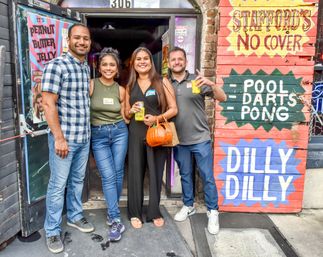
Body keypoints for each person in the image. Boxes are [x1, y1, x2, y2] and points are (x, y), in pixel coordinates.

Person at [41, 24, 94, 254]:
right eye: (77, 38)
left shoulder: (85, 68)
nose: (82, 42)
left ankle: (74, 215)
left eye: (86, 38)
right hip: (65, 139)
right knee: (57, 185)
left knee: (77, 181)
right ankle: (52, 230)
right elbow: (48, 103)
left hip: (83, 137)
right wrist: (59, 138)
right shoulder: (56, 66)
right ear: (68, 40)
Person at [167, 47, 227, 235]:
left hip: (200, 138)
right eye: (173, 59)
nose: (177, 62)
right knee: (185, 174)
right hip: (179, 140)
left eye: (180, 59)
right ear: (169, 63)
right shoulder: (166, 83)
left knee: (207, 176)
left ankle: (213, 211)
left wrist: (212, 84)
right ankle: (188, 205)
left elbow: (222, 98)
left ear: (186, 61)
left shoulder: (197, 80)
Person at [125, 47, 177, 229]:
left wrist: (157, 118)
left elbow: (173, 109)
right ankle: (134, 212)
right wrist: (130, 111)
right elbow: (125, 114)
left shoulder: (162, 82)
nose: (142, 61)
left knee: (155, 173)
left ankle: (154, 211)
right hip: (135, 132)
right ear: (133, 63)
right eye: (138, 59)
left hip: (156, 133)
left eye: (145, 58)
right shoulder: (130, 85)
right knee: (135, 173)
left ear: (151, 61)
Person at [90, 47, 128, 242]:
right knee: (108, 175)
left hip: (120, 132)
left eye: (112, 64)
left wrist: (134, 110)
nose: (108, 67)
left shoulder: (121, 90)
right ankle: (115, 218)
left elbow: (126, 116)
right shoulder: (91, 85)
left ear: (117, 68)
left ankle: (111, 210)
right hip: (99, 135)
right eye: (104, 64)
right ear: (98, 67)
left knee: (118, 172)